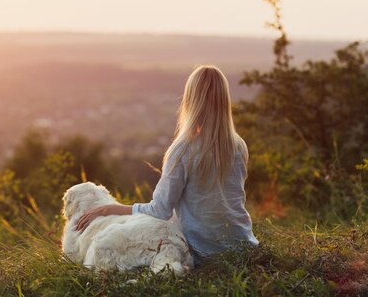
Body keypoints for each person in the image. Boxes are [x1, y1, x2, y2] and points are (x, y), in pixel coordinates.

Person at [75, 65, 258, 264]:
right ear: (224, 100)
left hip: (204, 252)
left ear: (190, 100)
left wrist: (108, 209)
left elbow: (160, 210)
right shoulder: (238, 145)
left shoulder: (183, 149)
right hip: (243, 246)